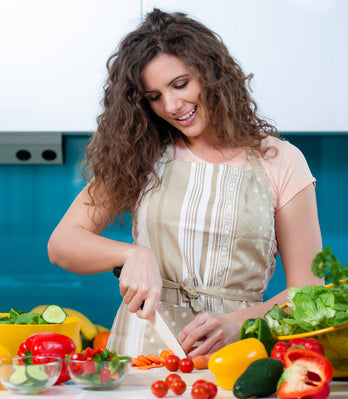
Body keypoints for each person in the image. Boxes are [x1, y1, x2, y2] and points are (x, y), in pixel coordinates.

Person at [47, 8, 323, 358]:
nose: (173, 105)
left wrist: (238, 322)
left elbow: (308, 291)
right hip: (140, 356)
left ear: (212, 74)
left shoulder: (280, 160)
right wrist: (132, 253)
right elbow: (62, 245)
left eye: (180, 84)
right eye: (154, 97)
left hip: (236, 355)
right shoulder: (141, 153)